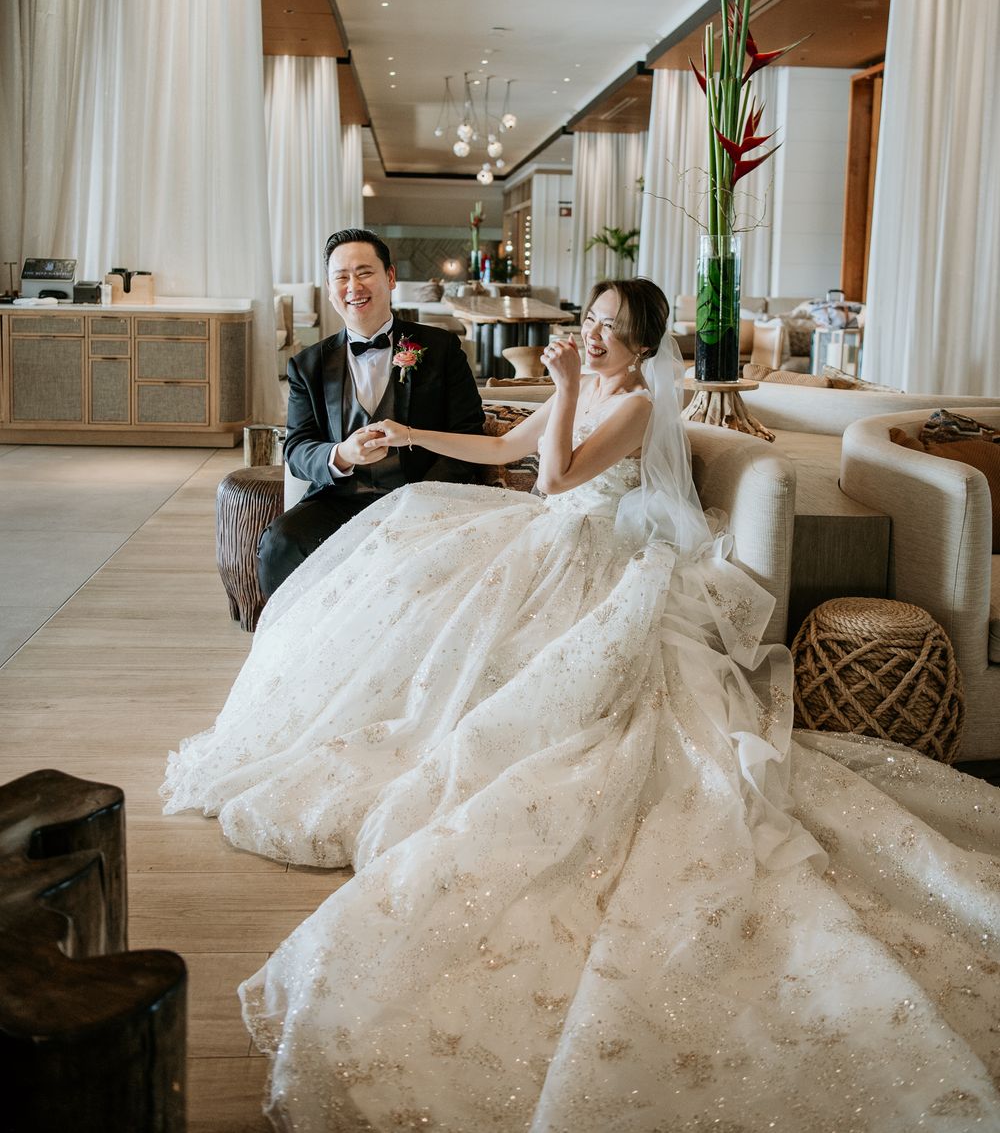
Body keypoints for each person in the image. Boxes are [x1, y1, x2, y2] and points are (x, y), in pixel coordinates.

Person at [164, 278, 1000, 1132]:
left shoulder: (632, 403)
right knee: (412, 532)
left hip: (589, 550)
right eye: (591, 323)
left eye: (613, 332)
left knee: (484, 622)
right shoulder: (596, 380)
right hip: (544, 536)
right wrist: (410, 431)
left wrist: (565, 388)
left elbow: (557, 479)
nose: (594, 339)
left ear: (644, 350)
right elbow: (503, 454)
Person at [257, 228, 484, 597]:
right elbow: (297, 448)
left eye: (364, 273)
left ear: (390, 277)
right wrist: (341, 454)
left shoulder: (441, 349)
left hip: (422, 500)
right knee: (280, 542)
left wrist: (425, 498)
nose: (353, 286)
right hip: (341, 499)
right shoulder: (307, 366)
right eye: (341, 277)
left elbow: (469, 433)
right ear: (330, 288)